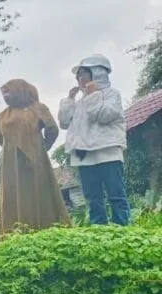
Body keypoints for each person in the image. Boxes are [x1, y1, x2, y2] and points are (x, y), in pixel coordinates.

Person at [58, 54, 130, 226]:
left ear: (96, 72)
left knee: (116, 195)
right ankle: (99, 231)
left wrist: (92, 95)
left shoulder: (112, 94)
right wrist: (69, 100)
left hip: (108, 152)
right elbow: (64, 123)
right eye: (77, 76)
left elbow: (103, 115)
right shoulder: (80, 102)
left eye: (82, 73)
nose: (79, 78)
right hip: (85, 157)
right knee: (92, 198)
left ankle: (122, 231)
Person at [0, 79, 72, 238]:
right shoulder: (3, 115)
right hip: (11, 164)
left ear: (20, 90)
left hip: (35, 159)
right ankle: (13, 234)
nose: (5, 96)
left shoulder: (38, 109)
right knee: (13, 195)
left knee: (40, 192)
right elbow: (0, 138)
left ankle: (46, 231)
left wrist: (42, 147)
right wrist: (12, 148)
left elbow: (52, 129)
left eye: (8, 91)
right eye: (3, 93)